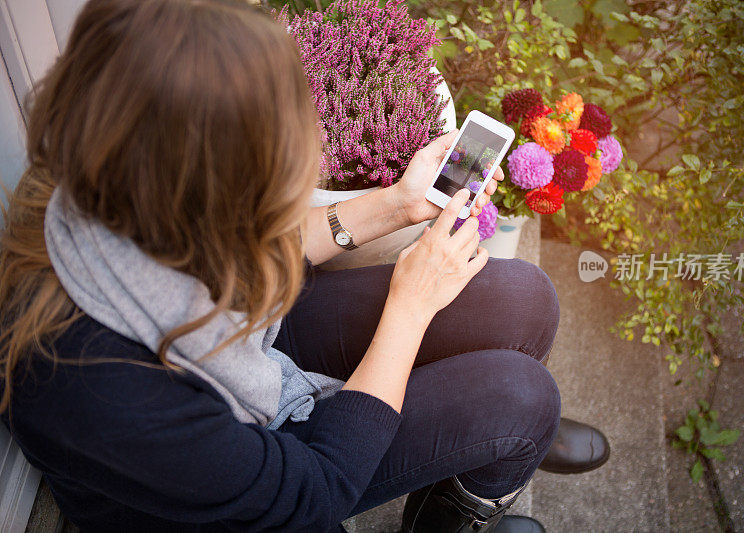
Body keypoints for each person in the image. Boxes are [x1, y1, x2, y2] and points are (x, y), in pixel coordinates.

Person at [0, 1, 607, 531]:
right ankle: (473, 480)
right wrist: (410, 303)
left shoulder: (103, 175)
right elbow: (315, 492)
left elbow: (260, 251)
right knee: (522, 397)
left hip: (239, 346)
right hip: (235, 464)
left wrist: (396, 205)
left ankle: (477, 449)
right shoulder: (100, 390)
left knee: (523, 298)